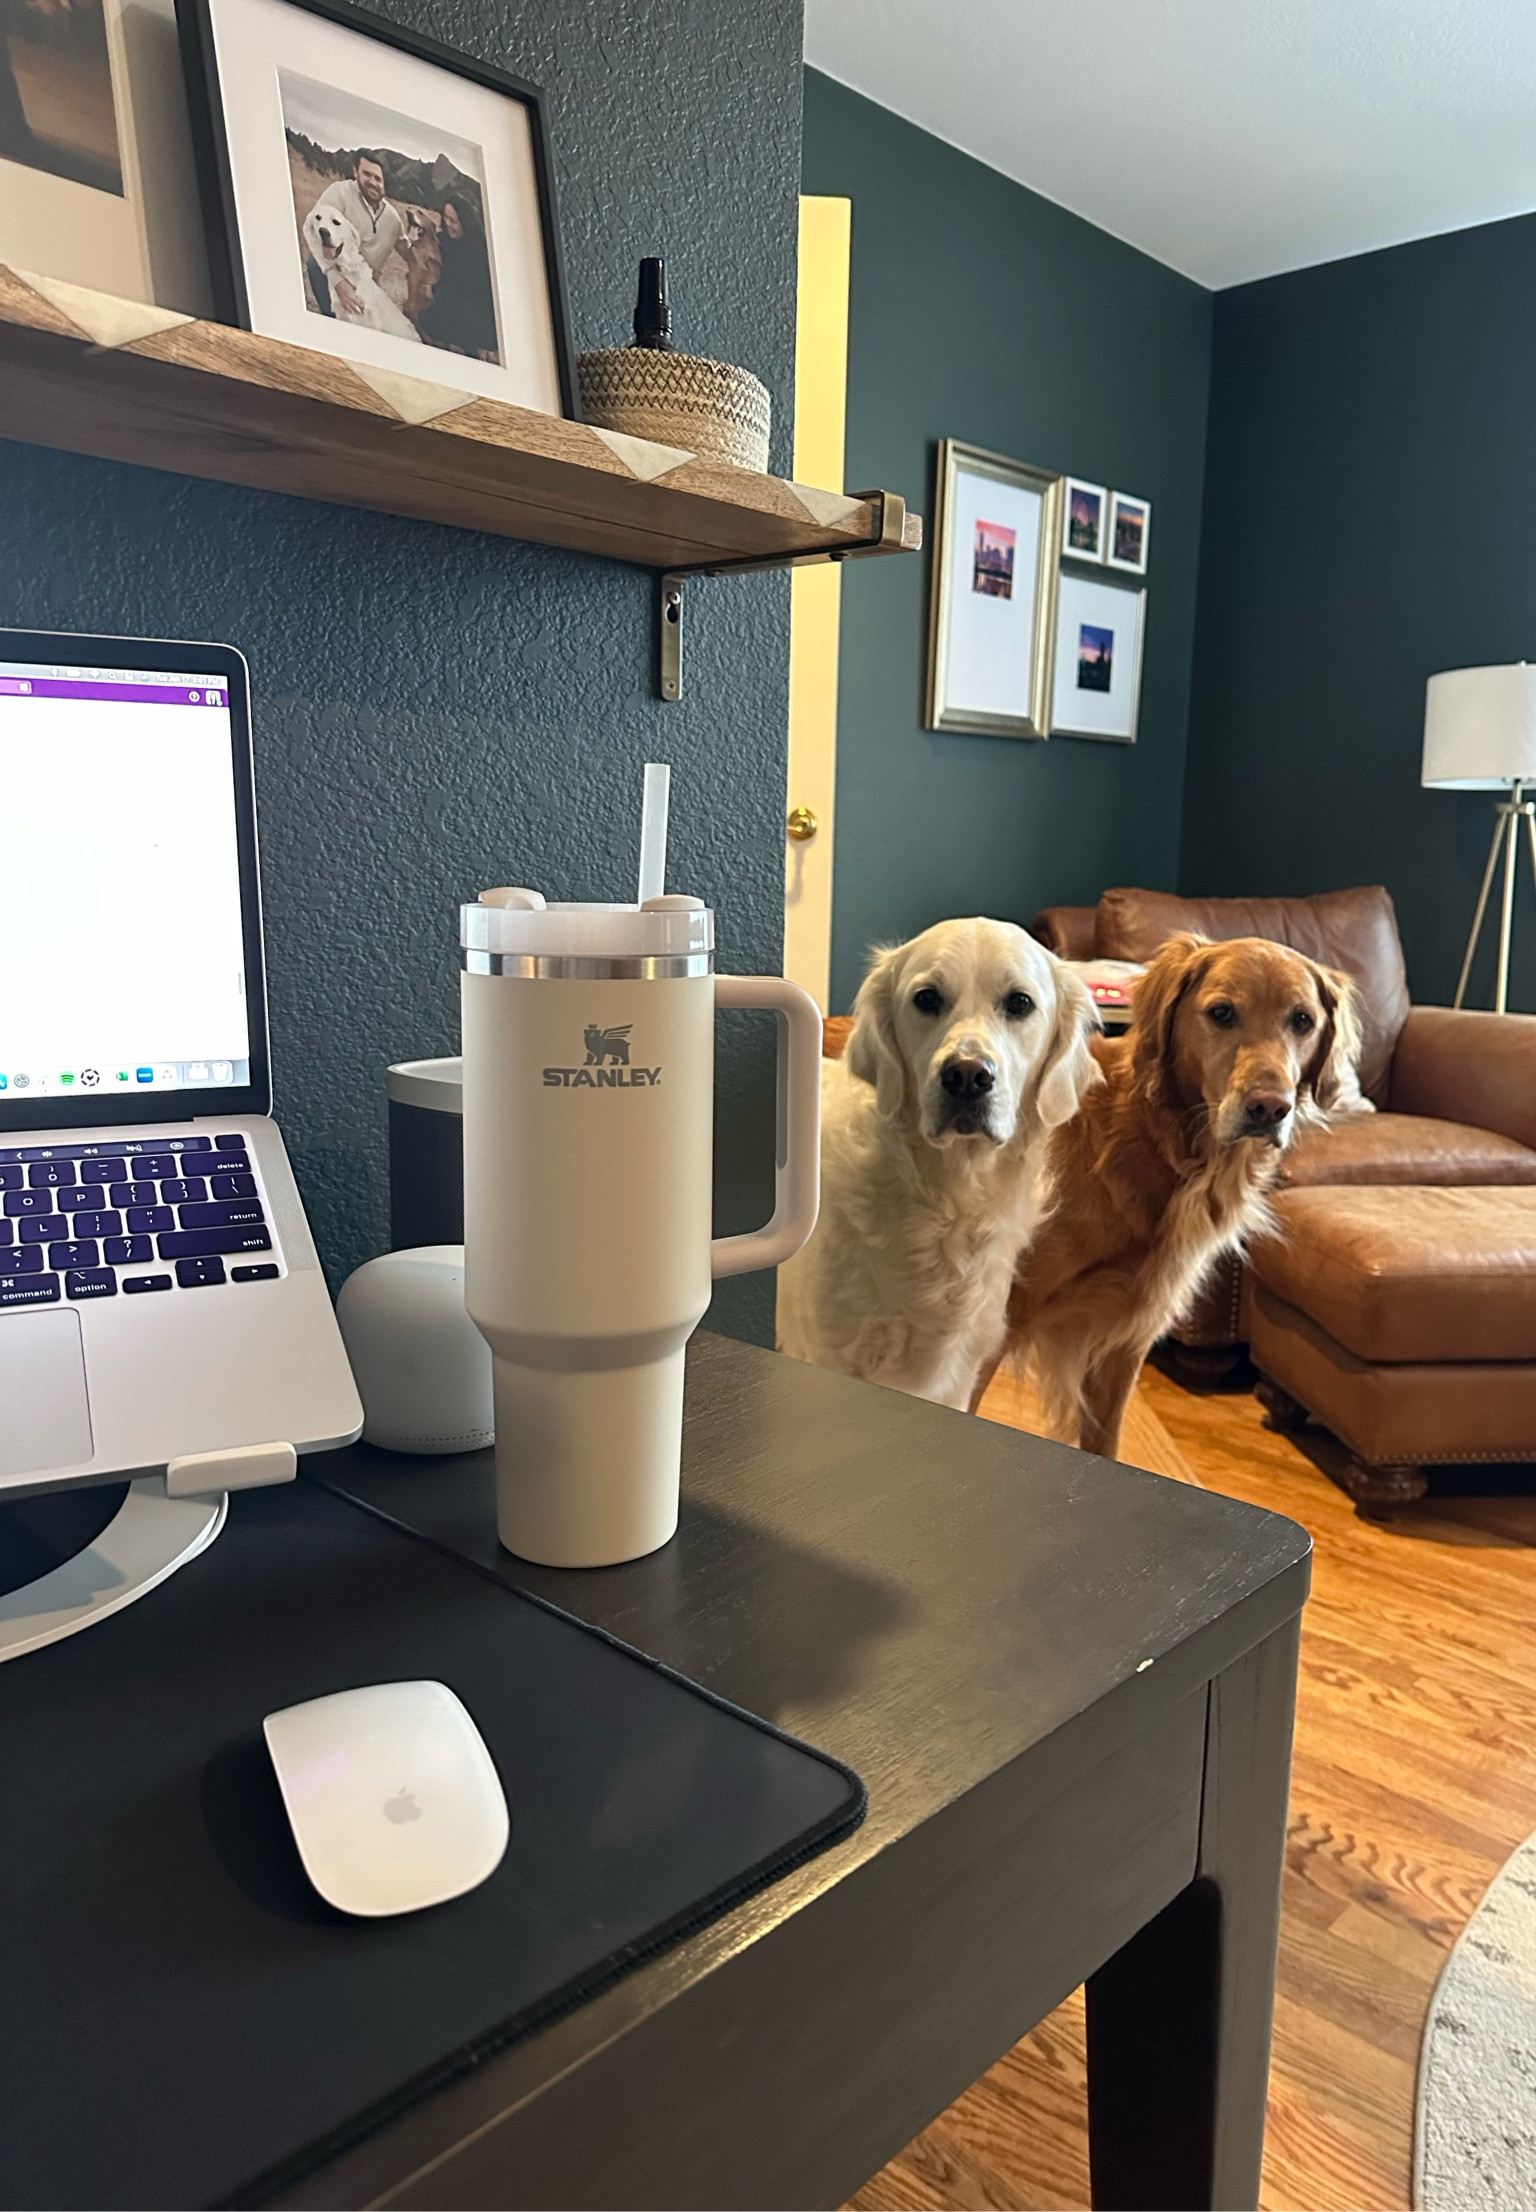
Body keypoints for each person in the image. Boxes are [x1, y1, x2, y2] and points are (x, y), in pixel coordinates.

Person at [305, 149, 406, 318]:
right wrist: (338, 281)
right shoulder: (338, 193)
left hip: (368, 283)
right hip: (339, 272)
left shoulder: (393, 218)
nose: (373, 182)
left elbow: (408, 252)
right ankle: (330, 319)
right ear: (355, 172)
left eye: (378, 179)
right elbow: (313, 230)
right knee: (314, 263)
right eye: (367, 174)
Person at [416, 194, 498, 359]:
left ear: (465, 221)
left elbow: (468, 290)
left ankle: (471, 350)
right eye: (445, 218)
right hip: (453, 303)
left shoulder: (477, 250)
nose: (447, 224)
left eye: (453, 220)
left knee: (447, 316)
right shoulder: (445, 240)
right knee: (426, 318)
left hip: (478, 312)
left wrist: (434, 290)